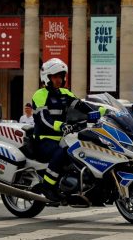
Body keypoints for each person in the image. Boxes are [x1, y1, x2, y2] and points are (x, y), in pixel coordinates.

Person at [32, 58, 100, 202]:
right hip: (44, 139)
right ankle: (48, 186)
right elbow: (44, 120)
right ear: (47, 77)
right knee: (63, 153)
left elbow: (83, 106)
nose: (59, 80)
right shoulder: (40, 95)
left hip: (64, 138)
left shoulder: (65, 93)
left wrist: (103, 111)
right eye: (56, 76)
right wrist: (61, 126)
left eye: (61, 76)